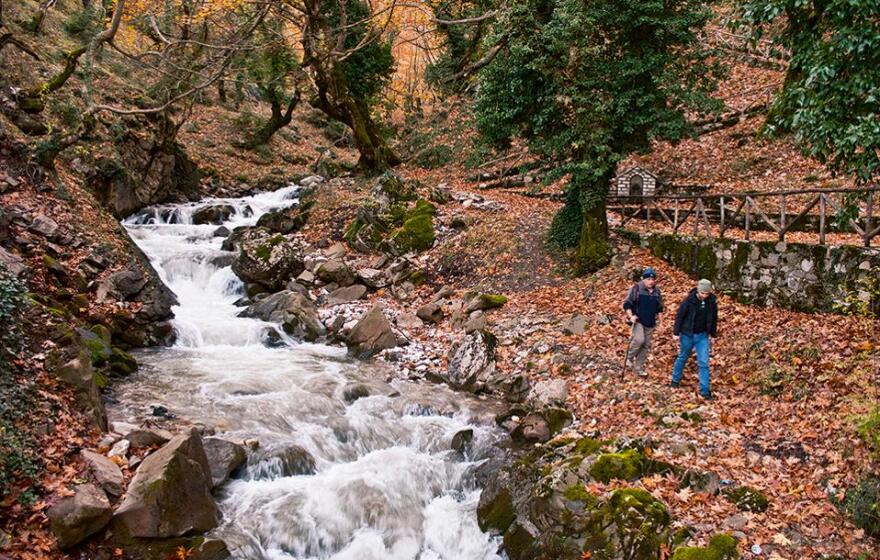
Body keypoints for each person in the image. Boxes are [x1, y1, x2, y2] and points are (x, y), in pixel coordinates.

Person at [671, 279, 719, 400]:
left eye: (706, 294)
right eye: (702, 293)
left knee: (704, 362)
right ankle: (675, 380)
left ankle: (705, 391)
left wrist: (713, 335)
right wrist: (676, 333)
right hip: (687, 335)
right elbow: (680, 316)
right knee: (683, 357)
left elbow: (714, 319)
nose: (704, 296)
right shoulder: (688, 301)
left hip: (702, 336)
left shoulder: (712, 303)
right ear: (698, 290)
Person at [622, 267, 664, 377]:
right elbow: (627, 304)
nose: (651, 281)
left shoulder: (657, 292)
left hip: (650, 321)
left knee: (646, 345)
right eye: (648, 279)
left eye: (653, 279)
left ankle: (638, 368)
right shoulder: (636, 288)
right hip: (638, 319)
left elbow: (659, 309)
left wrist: (661, 324)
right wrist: (631, 316)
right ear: (643, 279)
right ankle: (629, 358)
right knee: (639, 340)